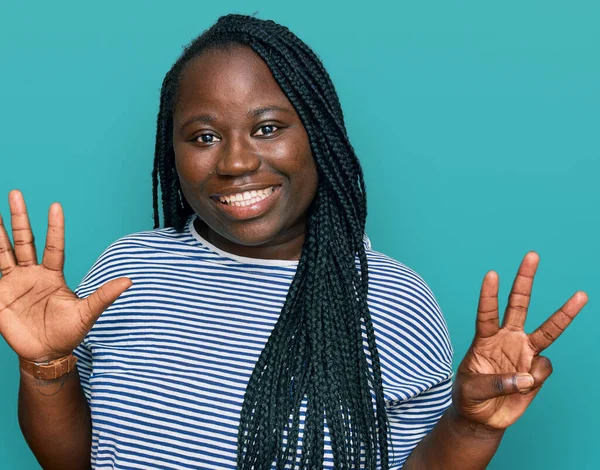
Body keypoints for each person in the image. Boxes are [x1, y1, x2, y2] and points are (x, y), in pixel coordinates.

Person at [0, 14, 587, 470]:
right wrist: (45, 366)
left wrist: (472, 426)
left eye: (267, 128)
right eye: (203, 135)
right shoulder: (128, 269)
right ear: (170, 152)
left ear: (321, 137)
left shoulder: (394, 302)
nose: (234, 161)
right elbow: (75, 461)